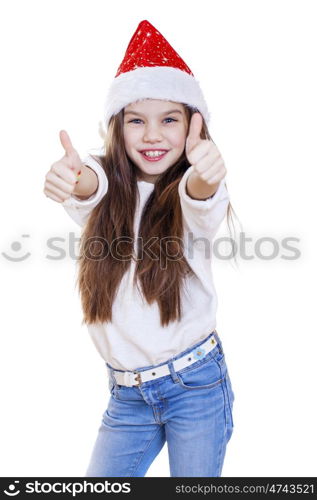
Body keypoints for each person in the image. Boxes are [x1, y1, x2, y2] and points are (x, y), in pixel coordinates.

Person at [43, 19, 238, 477]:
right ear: (118, 127)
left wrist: (208, 170)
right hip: (127, 398)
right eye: (137, 121)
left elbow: (202, 192)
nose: (152, 135)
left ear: (194, 126)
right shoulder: (107, 190)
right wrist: (72, 177)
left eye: (169, 120)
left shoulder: (193, 192)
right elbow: (89, 182)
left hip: (196, 387)